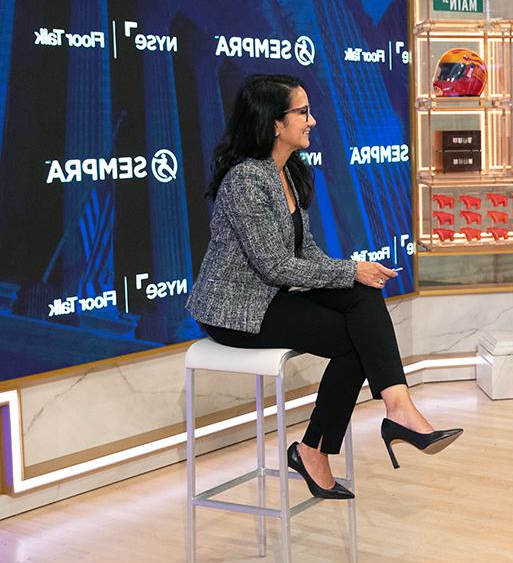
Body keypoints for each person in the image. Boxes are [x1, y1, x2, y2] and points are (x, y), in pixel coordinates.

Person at [187, 74, 462, 499]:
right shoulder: (246, 180)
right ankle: (318, 447)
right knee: (355, 336)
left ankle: (395, 409)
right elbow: (276, 265)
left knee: (364, 299)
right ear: (274, 124)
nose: (312, 121)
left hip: (271, 296)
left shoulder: (289, 173)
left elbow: (307, 252)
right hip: (236, 310)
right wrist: (350, 271)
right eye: (302, 112)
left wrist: (357, 272)